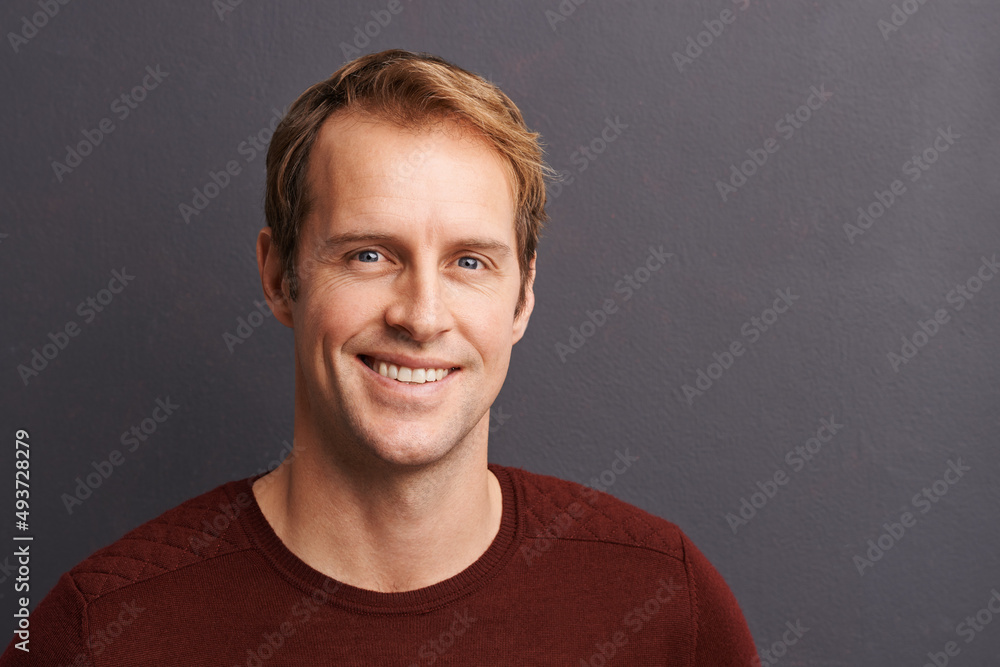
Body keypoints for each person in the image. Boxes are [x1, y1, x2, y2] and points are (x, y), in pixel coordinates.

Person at [2, 49, 757, 665]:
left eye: (470, 262)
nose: (421, 316)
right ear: (279, 277)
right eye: (368, 254)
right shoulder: (97, 632)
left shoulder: (663, 604)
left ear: (523, 297)